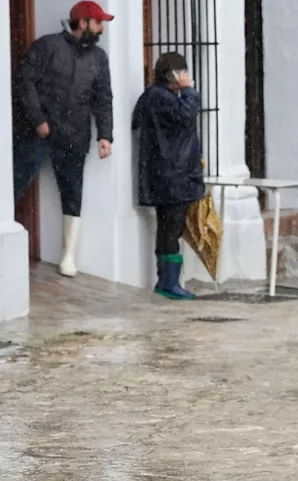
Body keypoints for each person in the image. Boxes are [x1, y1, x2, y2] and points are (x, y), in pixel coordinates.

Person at [12, 0, 114, 277]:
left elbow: (103, 98)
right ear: (83, 23)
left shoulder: (99, 58)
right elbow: (24, 82)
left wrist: (105, 135)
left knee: (73, 195)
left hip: (75, 136)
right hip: (38, 133)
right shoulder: (46, 46)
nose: (101, 28)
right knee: (13, 183)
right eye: (98, 22)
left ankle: (68, 257)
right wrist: (38, 120)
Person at [132, 52, 202, 300]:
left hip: (168, 174)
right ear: (174, 75)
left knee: (169, 228)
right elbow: (185, 116)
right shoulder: (160, 97)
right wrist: (189, 90)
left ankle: (168, 280)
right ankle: (168, 282)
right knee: (171, 229)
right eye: (183, 73)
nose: (186, 77)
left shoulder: (155, 97)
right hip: (173, 175)